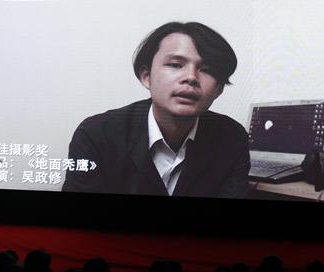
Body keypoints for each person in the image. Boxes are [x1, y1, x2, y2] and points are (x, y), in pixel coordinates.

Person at [62, 22, 250, 198]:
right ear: (146, 77)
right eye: (175, 65)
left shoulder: (232, 138)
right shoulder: (96, 134)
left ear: (218, 89)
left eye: (207, 69)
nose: (191, 77)